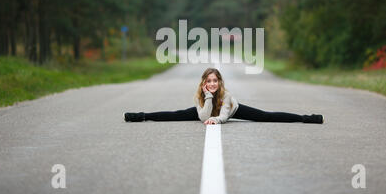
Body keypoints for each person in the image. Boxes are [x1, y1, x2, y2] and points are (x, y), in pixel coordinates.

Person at [124, 67, 324, 124]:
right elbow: (203, 116)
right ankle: (140, 116)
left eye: (215, 80)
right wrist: (208, 99)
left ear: (219, 82)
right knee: (175, 114)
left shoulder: (226, 95)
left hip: (231, 110)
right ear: (204, 83)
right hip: (207, 108)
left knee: (267, 116)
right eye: (208, 81)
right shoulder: (199, 96)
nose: (212, 84)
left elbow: (224, 116)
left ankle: (307, 118)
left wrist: (216, 119)